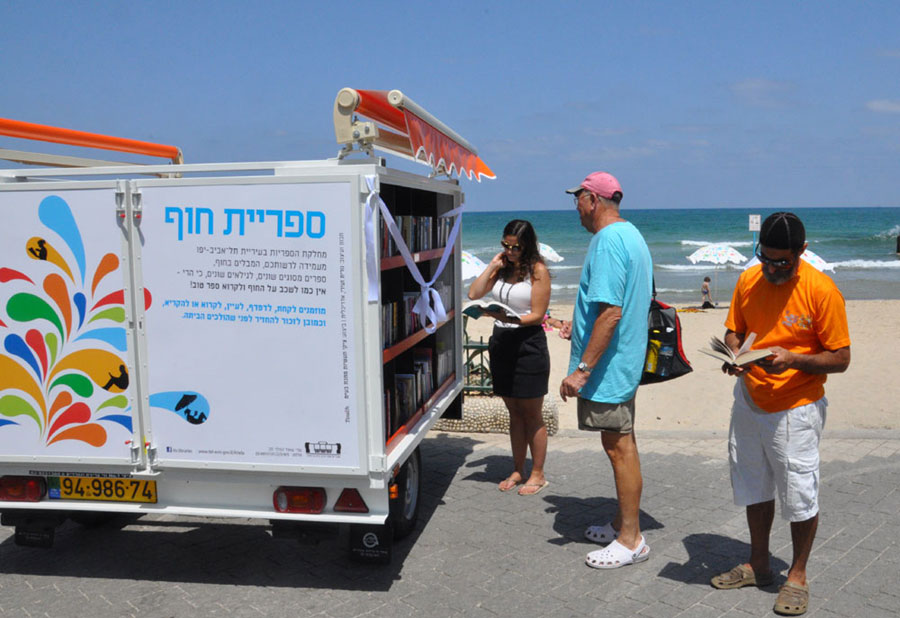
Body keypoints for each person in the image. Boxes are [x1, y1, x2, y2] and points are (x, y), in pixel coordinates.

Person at [710, 212, 851, 616]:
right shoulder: (749, 279)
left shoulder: (821, 290)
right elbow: (735, 329)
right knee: (754, 484)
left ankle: (798, 575)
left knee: (799, 493)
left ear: (801, 253)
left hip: (797, 407)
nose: (771, 268)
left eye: (781, 263)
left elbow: (841, 358)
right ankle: (759, 563)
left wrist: (793, 359)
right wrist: (737, 353)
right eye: (765, 258)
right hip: (750, 398)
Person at [558, 171, 653, 569]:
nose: (575, 207)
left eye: (578, 198)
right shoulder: (631, 235)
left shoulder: (608, 240)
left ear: (593, 200)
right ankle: (621, 522)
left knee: (619, 447)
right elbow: (618, 305)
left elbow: (611, 312)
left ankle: (631, 539)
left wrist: (582, 369)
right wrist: (577, 328)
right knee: (620, 443)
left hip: (610, 367)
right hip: (622, 359)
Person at [467, 219, 552, 496]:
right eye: (505, 245)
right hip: (502, 341)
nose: (510, 251)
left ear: (526, 245)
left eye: (515, 247)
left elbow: (538, 315)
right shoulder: (502, 267)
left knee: (532, 413)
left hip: (527, 343)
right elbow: (474, 293)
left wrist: (508, 317)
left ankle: (537, 474)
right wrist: (492, 266)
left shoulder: (537, 271)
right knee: (513, 411)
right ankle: (518, 469)